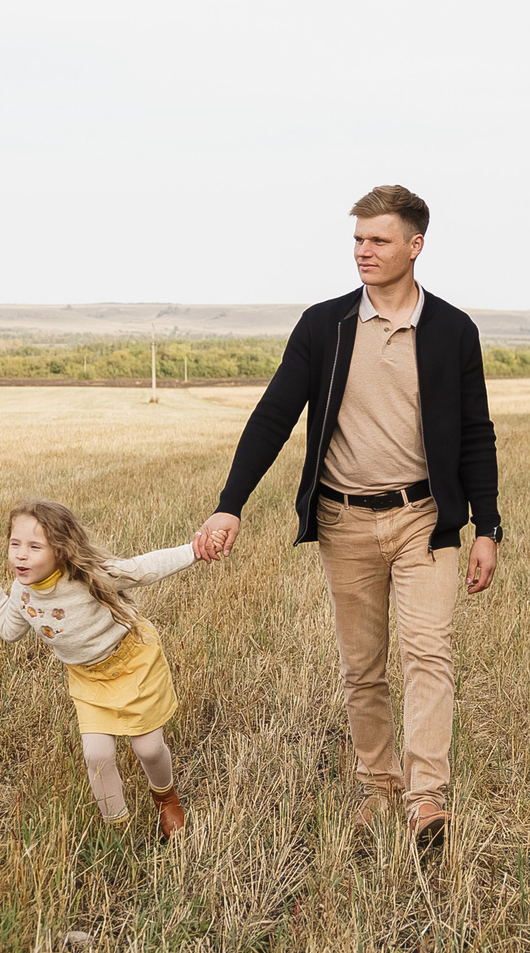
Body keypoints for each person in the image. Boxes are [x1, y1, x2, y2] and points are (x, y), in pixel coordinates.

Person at [195, 184, 500, 852]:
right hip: (344, 521)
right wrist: (230, 503)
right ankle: (378, 787)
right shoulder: (324, 325)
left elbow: (476, 431)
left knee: (428, 653)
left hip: (426, 519)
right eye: (358, 238)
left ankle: (426, 801)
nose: (363, 250)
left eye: (379, 239)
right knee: (363, 666)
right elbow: (274, 416)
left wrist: (488, 526)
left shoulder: (452, 330)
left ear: (415, 246)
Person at [0, 500, 198, 839]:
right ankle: (117, 828)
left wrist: (194, 550)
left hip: (132, 662)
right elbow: (9, 631)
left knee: (149, 748)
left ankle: (165, 797)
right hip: (87, 677)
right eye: (15, 544)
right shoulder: (23, 592)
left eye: (34, 547)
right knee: (97, 756)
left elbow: (145, 568)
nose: (20, 555)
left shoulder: (88, 575)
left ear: (61, 550)